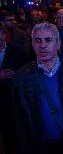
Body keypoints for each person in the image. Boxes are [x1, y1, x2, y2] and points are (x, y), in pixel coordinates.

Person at [11, 22, 63, 154]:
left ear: (58, 44)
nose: (43, 45)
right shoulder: (21, 78)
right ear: (33, 44)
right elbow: (18, 120)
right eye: (37, 41)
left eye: (48, 40)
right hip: (39, 145)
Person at [0, 26, 29, 154]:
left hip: (12, 104)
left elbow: (26, 77)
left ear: (4, 34)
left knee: (12, 137)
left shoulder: (18, 53)